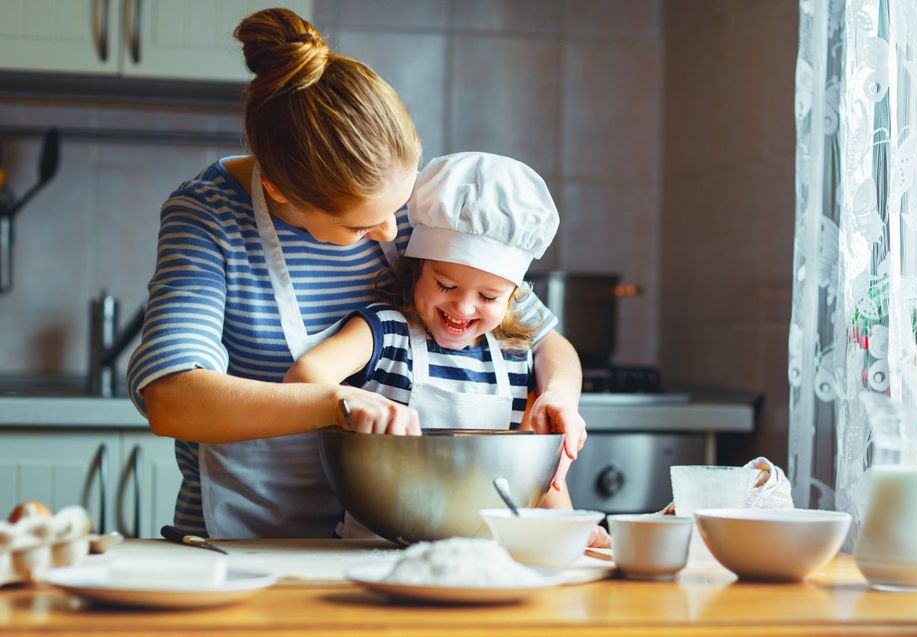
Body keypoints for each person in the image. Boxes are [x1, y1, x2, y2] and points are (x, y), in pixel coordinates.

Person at [126, 8, 586, 540]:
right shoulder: (209, 217)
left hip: (390, 542)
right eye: (361, 225)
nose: (393, 232)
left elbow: (542, 338)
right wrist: (334, 401)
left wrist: (558, 396)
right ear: (280, 190)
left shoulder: (422, 207)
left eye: (399, 206)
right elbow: (172, 398)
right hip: (250, 543)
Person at [284, 152, 610, 547]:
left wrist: (569, 530)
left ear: (514, 298)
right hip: (375, 547)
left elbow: (539, 477)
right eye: (445, 285)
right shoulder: (386, 332)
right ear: (416, 269)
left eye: (489, 295)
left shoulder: (514, 356)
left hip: (488, 558)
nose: (463, 307)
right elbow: (304, 376)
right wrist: (349, 403)